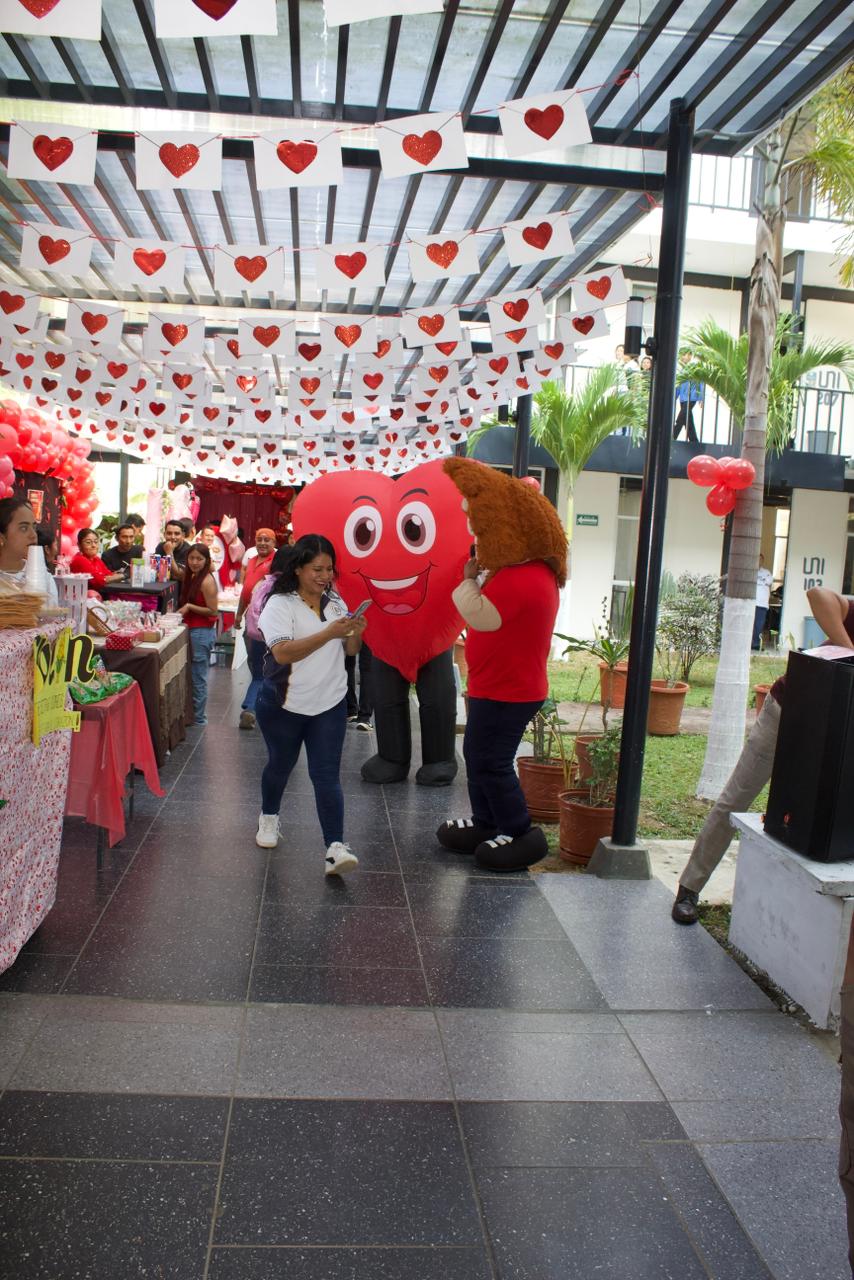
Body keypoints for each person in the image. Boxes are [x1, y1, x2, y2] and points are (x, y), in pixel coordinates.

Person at [672, 586, 854, 924]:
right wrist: (848, 648)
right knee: (736, 798)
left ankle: (788, 909)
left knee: (809, 815)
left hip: (834, 732)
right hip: (788, 711)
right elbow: (818, 595)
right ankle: (689, 888)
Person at [436, 458, 567, 872]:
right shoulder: (521, 572)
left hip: (510, 690)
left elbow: (480, 615)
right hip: (498, 685)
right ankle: (487, 822)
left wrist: (468, 579)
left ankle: (520, 830)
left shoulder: (524, 578)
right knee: (478, 756)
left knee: (491, 761)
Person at [254, 534, 367, 872]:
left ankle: (335, 846)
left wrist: (355, 631)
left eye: (330, 569)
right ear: (299, 568)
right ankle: (269, 816)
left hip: (329, 704)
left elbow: (350, 651)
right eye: (317, 569)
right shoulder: (279, 604)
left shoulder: (335, 602)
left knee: (326, 775)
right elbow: (283, 652)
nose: (324, 576)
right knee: (280, 765)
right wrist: (330, 633)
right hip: (283, 704)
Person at [234, 528, 277, 730]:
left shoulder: (277, 562)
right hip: (251, 623)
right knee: (257, 669)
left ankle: (251, 707)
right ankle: (255, 703)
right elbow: (246, 590)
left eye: (266, 540)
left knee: (261, 672)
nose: (262, 543)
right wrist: (238, 614)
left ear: (274, 542)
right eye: (259, 539)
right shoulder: (251, 560)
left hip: (266, 625)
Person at [178, 543, 219, 727]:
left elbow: (213, 611)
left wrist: (189, 607)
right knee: (193, 676)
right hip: (193, 630)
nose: (194, 562)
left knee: (198, 677)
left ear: (206, 561)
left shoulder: (206, 581)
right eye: (191, 558)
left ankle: (199, 719)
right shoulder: (192, 576)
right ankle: (193, 716)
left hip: (201, 633)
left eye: (199, 559)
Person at [0, 498, 59, 604]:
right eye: (23, 528)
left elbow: (52, 617)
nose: (33, 535)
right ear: (1, 537)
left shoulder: (44, 578)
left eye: (34, 527)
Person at [673, 350, 704, 442]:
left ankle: (672, 436)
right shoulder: (681, 369)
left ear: (690, 356)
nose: (683, 357)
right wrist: (674, 397)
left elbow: (700, 382)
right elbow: (678, 384)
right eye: (682, 355)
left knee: (680, 418)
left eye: (685, 355)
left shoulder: (694, 367)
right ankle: (694, 441)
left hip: (692, 397)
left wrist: (701, 398)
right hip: (683, 398)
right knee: (688, 420)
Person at [345, 641, 374, 731]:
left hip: (349, 628)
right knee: (367, 667)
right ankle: (364, 718)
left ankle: (351, 709)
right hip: (369, 628)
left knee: (347, 662)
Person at [753, 554, 773, 650]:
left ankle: (756, 644)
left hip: (761, 603)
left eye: (760, 559)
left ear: (762, 561)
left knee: (759, 624)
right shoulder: (749, 571)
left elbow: (768, 582)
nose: (758, 561)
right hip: (750, 602)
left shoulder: (766, 572)